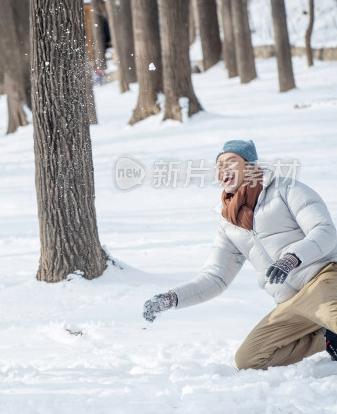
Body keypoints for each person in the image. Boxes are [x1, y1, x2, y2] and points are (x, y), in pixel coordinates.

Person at [143, 139, 337, 370]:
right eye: (219, 165)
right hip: (290, 303)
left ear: (250, 166)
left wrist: (291, 258)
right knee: (249, 360)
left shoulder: (286, 189)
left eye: (231, 162)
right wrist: (172, 298)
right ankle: (323, 335)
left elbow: (324, 231)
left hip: (321, 278)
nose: (223, 169)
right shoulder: (229, 224)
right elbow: (216, 277)